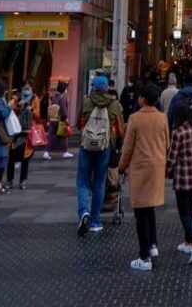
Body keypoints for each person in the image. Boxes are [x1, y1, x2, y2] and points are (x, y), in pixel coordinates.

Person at [118, 84, 170, 272]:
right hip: (157, 167)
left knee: (141, 213)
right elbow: (167, 143)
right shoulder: (162, 118)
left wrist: (121, 167)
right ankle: (153, 246)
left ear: (142, 99)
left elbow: (128, 147)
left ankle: (144, 256)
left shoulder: (135, 118)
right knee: (150, 210)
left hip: (140, 168)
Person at [76, 74, 123, 236]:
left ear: (94, 87)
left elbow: (78, 122)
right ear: (107, 88)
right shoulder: (114, 104)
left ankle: (83, 212)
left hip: (86, 146)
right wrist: (119, 146)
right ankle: (96, 220)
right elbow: (120, 128)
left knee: (82, 180)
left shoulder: (86, 102)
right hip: (105, 147)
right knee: (99, 182)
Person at [167, 104, 192, 265]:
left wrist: (165, 171)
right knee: (189, 210)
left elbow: (172, 156)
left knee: (184, 212)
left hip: (183, 178)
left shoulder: (178, 132)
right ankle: (187, 243)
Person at [6, 80, 41, 190]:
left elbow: (38, 116)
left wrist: (30, 109)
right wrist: (17, 106)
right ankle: (9, 180)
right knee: (11, 156)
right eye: (24, 89)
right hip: (16, 131)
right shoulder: (16, 98)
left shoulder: (35, 99)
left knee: (25, 157)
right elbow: (9, 110)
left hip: (28, 132)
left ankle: (22, 180)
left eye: (28, 88)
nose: (26, 91)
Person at [44, 80, 72, 160]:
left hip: (52, 119)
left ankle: (46, 152)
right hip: (60, 119)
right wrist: (65, 118)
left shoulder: (54, 97)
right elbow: (63, 110)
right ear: (64, 89)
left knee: (51, 136)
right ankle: (65, 152)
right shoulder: (62, 98)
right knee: (63, 136)